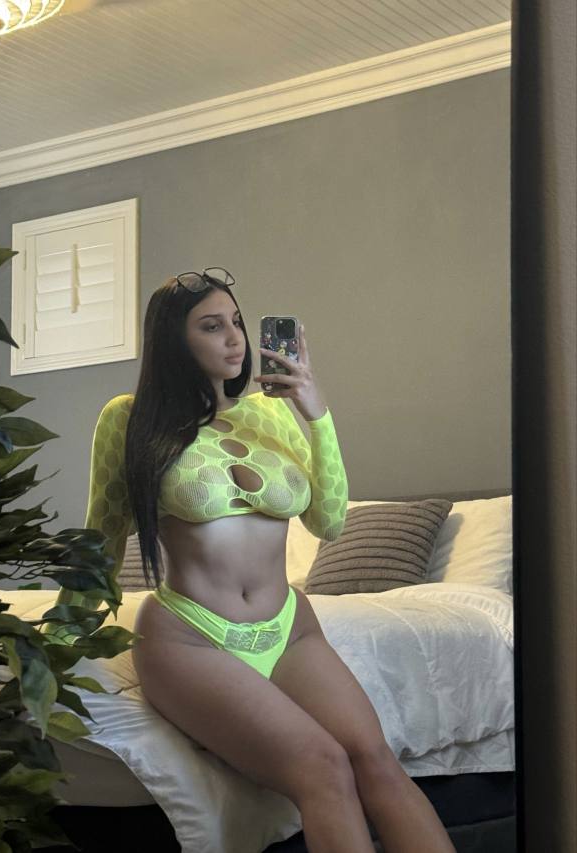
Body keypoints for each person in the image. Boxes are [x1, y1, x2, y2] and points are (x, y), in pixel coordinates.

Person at [69, 268, 456, 853]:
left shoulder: (271, 413)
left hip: (288, 629)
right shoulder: (129, 418)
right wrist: (55, 643)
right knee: (323, 766)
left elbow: (330, 522)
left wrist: (315, 412)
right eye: (211, 326)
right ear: (173, 341)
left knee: (375, 759)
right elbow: (101, 539)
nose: (235, 339)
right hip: (191, 637)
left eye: (237, 323)